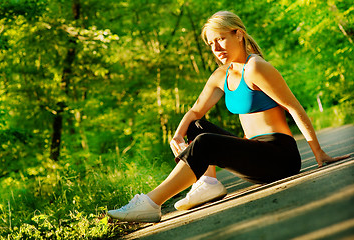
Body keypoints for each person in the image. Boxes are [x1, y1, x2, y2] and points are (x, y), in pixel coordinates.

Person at [107, 10, 350, 223]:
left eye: (221, 38)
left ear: (239, 34)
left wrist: (319, 153)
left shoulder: (256, 67)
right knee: (197, 126)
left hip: (280, 157)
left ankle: (150, 203)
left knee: (206, 143)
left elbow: (294, 108)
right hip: (254, 151)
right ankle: (208, 184)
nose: (216, 48)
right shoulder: (221, 75)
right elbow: (194, 112)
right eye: (211, 43)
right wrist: (179, 134)